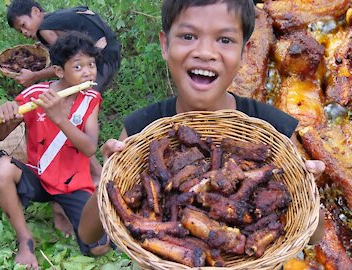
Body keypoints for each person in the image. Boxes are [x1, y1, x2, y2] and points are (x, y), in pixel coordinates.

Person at [78, 0, 325, 247]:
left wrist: (307, 185)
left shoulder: (274, 129)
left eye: (225, 40)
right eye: (188, 36)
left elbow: (314, 236)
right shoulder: (141, 129)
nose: (205, 53)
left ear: (245, 54)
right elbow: (88, 235)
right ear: (165, 45)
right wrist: (111, 175)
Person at [0, 32, 110, 269]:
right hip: (39, 176)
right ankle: (26, 240)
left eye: (91, 65)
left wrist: (59, 118)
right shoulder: (35, 96)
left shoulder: (91, 98)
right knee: (0, 169)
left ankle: (60, 207)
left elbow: (89, 147)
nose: (88, 72)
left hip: (72, 183)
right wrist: (5, 115)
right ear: (59, 71)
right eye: (78, 66)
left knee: (99, 247)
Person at [6, 0, 121, 93]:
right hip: (112, 49)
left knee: (82, 97)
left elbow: (67, 65)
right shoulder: (55, 17)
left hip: (101, 60)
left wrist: (35, 76)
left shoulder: (44, 29)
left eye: (23, 25)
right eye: (20, 31)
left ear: (36, 11)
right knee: (89, 95)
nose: (24, 32)